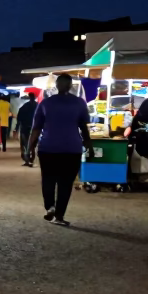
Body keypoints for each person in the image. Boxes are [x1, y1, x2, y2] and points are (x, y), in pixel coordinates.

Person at [26, 74, 92, 227]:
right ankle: (59, 216)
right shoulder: (79, 103)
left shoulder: (45, 103)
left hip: (48, 147)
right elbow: (84, 127)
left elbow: (36, 129)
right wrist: (88, 145)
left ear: (56, 85)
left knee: (48, 179)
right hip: (71, 148)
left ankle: (50, 207)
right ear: (70, 86)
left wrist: (30, 148)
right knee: (65, 183)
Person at [14, 92, 38, 166]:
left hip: (24, 128)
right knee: (33, 145)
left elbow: (19, 118)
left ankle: (27, 160)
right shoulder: (38, 106)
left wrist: (16, 128)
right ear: (34, 97)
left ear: (29, 97)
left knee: (24, 144)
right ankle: (31, 159)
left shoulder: (24, 106)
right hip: (35, 128)